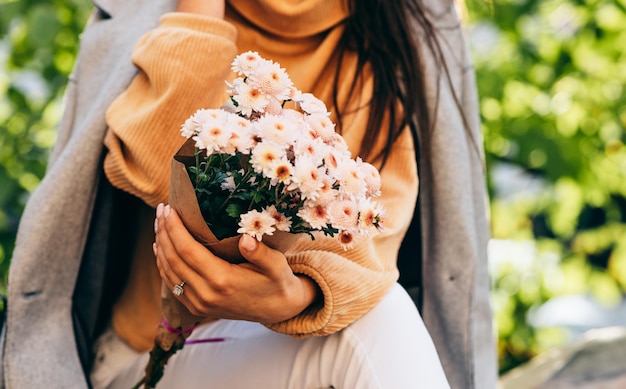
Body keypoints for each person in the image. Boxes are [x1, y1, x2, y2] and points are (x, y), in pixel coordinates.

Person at [0, 0, 496, 388]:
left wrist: (295, 297)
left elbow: (372, 238)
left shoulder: (398, 32)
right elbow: (156, 174)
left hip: (299, 344)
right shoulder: (158, 12)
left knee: (380, 316)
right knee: (382, 324)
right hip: (150, 358)